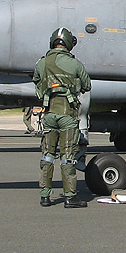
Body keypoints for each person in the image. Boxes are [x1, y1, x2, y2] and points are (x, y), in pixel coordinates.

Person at [33, 27, 92, 208]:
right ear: (68, 43)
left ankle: (45, 196)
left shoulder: (41, 63)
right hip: (67, 115)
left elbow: (36, 82)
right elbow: (87, 85)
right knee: (67, 157)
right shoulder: (75, 64)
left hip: (49, 114)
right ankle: (70, 197)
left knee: (47, 156)